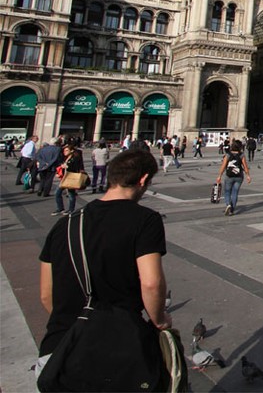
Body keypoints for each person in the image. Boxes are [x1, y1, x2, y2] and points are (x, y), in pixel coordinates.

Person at [36, 149, 170, 381]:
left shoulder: (64, 225)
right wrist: (159, 320)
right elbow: (151, 283)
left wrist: (80, 323)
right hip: (116, 348)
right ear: (143, 180)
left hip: (60, 349)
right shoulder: (145, 220)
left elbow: (47, 296)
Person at [216, 139, 252, 216]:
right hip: (239, 176)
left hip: (229, 176)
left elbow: (223, 166)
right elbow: (245, 167)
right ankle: (232, 210)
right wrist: (248, 176)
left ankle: (228, 204)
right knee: (235, 192)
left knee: (227, 191)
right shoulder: (241, 155)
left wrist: (219, 176)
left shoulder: (228, 154)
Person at [52, 142, 85, 217]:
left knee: (71, 194)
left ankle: (71, 209)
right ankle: (60, 208)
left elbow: (75, 168)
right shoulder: (66, 158)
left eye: (66, 150)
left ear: (71, 151)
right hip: (64, 178)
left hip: (71, 178)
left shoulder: (75, 158)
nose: (64, 152)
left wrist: (67, 167)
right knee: (57, 193)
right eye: (64, 150)